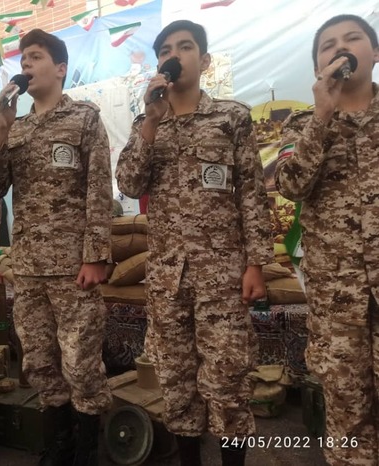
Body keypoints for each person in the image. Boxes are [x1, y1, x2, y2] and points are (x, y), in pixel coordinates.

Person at [116, 20, 273, 466]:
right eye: (166, 49)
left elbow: (252, 195)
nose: (175, 55)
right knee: (177, 382)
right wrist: (150, 121)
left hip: (222, 276)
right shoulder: (147, 123)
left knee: (227, 381)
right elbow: (128, 184)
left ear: (203, 61)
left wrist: (256, 264)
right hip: (168, 279)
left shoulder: (231, 117)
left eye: (185, 47)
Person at [0, 28, 113, 466]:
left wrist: (95, 256)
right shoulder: (15, 129)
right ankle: (58, 446)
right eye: (23, 59)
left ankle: (87, 451)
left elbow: (99, 189)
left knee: (81, 363)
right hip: (30, 267)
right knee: (39, 362)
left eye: (35, 57)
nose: (26, 65)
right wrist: (0, 129)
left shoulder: (84, 118)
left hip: (74, 267)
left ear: (60, 68)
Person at [275, 14, 379, 465]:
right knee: (349, 422)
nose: (341, 47)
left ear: (374, 52)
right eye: (328, 45)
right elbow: (290, 185)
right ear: (318, 66)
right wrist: (322, 115)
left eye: (352, 38)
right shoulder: (301, 125)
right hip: (339, 304)